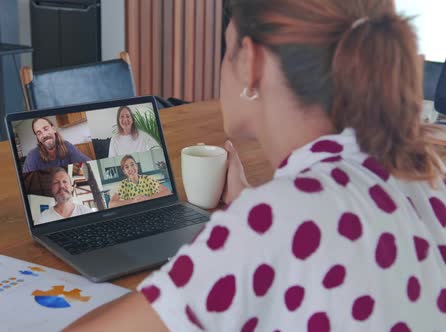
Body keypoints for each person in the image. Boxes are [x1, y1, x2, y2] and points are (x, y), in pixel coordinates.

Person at [67, 0, 446, 330]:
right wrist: (250, 205)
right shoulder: (421, 171)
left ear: (250, 62)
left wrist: (252, 221)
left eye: (225, 47)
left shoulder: (277, 220)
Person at [22, 117, 91, 173]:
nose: (44, 135)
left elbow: (88, 165)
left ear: (54, 129)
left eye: (46, 129)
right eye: (39, 133)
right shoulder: (32, 156)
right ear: (37, 137)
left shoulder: (67, 146)